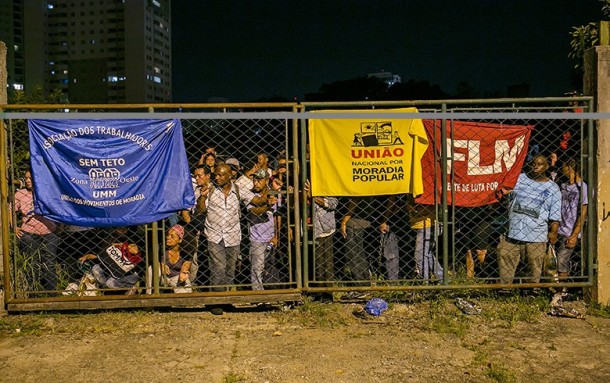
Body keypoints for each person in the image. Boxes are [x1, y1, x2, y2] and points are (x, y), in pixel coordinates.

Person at [497, 155, 562, 287]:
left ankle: (531, 289)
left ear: (547, 166)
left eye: (540, 164)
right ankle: (505, 288)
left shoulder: (553, 188)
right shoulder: (519, 179)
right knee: (505, 257)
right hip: (513, 231)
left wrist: (553, 231)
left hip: (536, 234)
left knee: (534, 264)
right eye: (533, 164)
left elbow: (555, 214)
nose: (536, 167)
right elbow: (506, 194)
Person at [202, 164, 251, 298]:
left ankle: (227, 297)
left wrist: (266, 197)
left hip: (233, 235)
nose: (217, 177)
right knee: (218, 268)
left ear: (230, 176)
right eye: (216, 174)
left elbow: (255, 200)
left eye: (221, 175)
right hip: (214, 234)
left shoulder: (238, 190)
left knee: (230, 269)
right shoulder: (211, 189)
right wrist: (202, 197)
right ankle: (217, 300)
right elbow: (201, 210)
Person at [12, 169, 59, 292]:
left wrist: (61, 227)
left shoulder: (47, 193)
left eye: (30, 178)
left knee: (49, 263)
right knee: (32, 263)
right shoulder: (20, 194)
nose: (27, 181)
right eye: (26, 178)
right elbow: (9, 210)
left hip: (49, 232)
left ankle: (51, 292)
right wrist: (14, 227)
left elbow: (59, 209)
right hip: (29, 233)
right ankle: (33, 292)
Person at [245, 169, 282, 290]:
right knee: (257, 267)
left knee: (270, 266)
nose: (256, 183)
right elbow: (255, 212)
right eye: (254, 180)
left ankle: (271, 291)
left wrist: (277, 236)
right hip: (256, 238)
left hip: (270, 236)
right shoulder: (250, 195)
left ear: (266, 180)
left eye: (259, 180)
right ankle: (258, 294)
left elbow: (277, 216)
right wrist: (267, 205)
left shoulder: (274, 194)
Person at [78, 227, 144, 295]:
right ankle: (104, 288)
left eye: (124, 229)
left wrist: (121, 245)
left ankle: (131, 287)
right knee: (95, 268)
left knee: (110, 283)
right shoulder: (109, 240)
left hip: (129, 274)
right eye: (119, 228)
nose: (122, 231)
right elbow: (102, 256)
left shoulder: (129, 240)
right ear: (115, 230)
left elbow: (135, 251)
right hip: (114, 272)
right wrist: (87, 256)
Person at [555, 158, 588, 285]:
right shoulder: (562, 185)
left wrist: (574, 235)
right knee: (555, 261)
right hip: (559, 228)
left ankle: (561, 291)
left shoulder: (582, 187)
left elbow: (583, 213)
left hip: (570, 231)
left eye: (562, 166)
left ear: (569, 168)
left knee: (562, 260)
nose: (561, 169)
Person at [304, 179, 338, 289]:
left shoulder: (328, 188)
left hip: (325, 229)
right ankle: (318, 289)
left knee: (327, 262)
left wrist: (313, 196)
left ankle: (327, 291)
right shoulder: (305, 189)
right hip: (312, 229)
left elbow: (332, 204)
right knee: (317, 262)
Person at [159, 224, 193, 293]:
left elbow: (186, 266)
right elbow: (151, 260)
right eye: (168, 235)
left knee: (186, 295)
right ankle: (149, 293)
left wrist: (183, 274)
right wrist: (160, 264)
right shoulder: (162, 249)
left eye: (172, 236)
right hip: (162, 278)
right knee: (152, 269)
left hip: (175, 278)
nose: (168, 238)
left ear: (180, 240)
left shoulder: (185, 253)